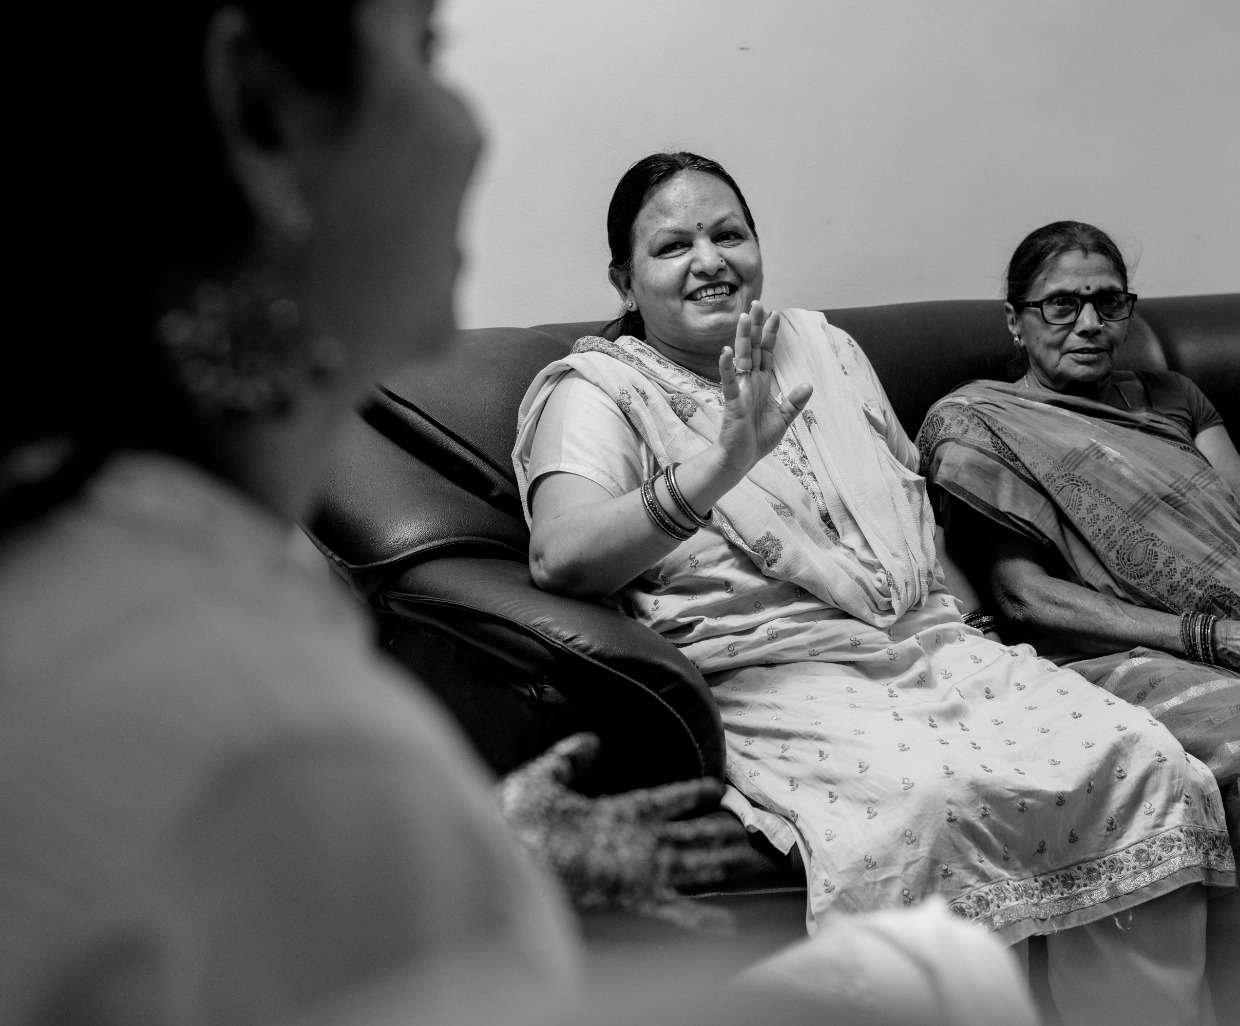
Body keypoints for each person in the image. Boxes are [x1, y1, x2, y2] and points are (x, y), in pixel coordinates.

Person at [0, 6, 1045, 1026]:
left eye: (730, 234)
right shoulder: (261, 729)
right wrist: (929, 984)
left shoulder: (136, 566)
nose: (472, 131)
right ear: (258, 111)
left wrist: (493, 849)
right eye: (427, 48)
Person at [512, 151, 1236, 1026]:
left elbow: (907, 502)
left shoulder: (823, 348)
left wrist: (980, 636)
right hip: (779, 674)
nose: (709, 260)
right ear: (625, 281)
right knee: (929, 804)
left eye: (729, 234)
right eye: (673, 246)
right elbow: (562, 558)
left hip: (933, 645)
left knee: (1141, 761)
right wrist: (720, 465)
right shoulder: (599, 390)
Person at [916, 221, 1239, 853]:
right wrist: (1206, 636)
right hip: (1112, 653)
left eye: (1108, 302)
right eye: (1062, 304)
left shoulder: (1174, 397)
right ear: (1015, 321)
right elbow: (1023, 597)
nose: (1089, 323)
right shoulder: (979, 426)